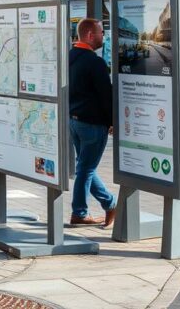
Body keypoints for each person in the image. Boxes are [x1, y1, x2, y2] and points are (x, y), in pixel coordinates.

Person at [68, 18, 116, 227]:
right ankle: (79, 213)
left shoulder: (69, 57)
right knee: (86, 169)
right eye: (101, 32)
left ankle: (111, 204)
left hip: (74, 121)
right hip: (93, 124)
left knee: (85, 167)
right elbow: (106, 95)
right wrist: (112, 121)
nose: (103, 36)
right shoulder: (95, 62)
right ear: (89, 35)